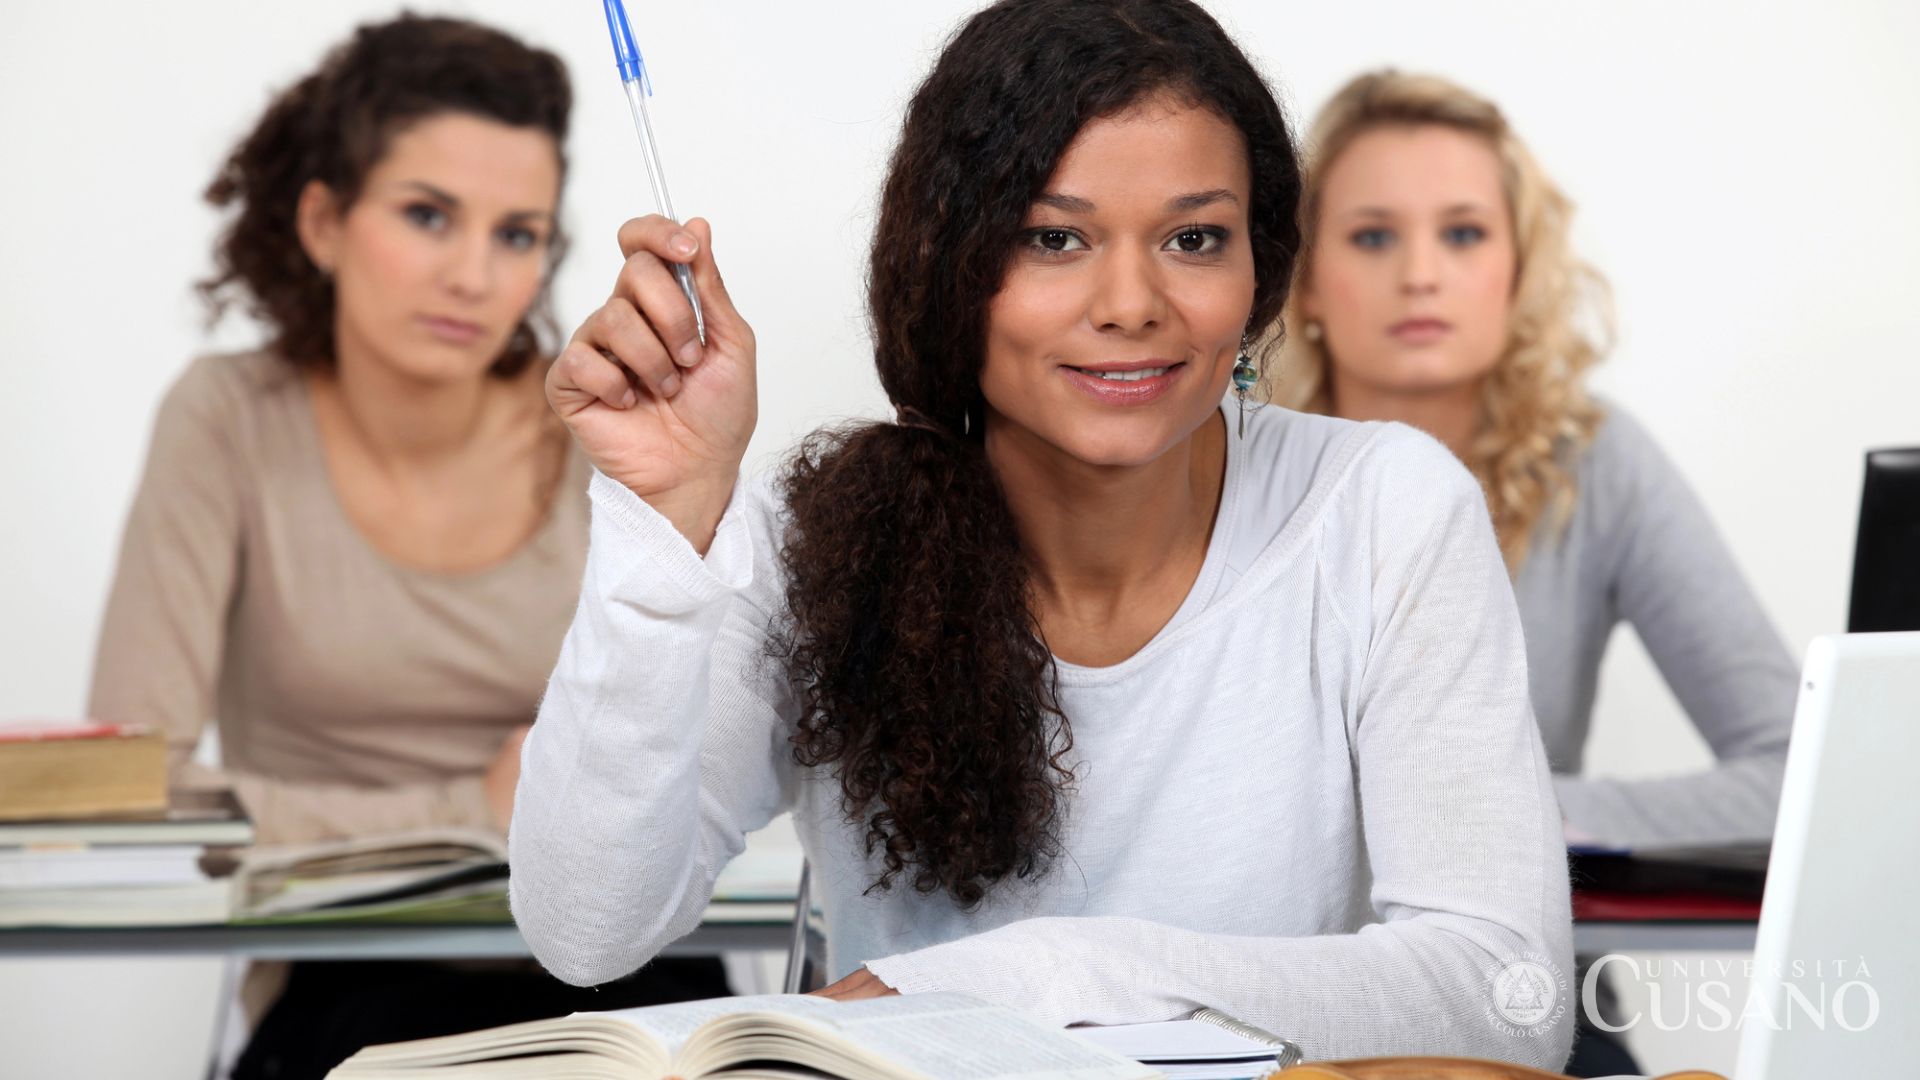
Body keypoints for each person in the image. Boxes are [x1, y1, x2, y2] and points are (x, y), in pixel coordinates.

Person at [512, 0, 1573, 1067]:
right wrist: (663, 524)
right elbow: (586, 932)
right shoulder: (813, 542)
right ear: (946, 265)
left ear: (1260, 271)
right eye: (1054, 238)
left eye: (1194, 238)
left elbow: (1511, 1000)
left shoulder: (1384, 510)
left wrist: (1020, 983)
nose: (1131, 304)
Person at [87, 16, 725, 1079]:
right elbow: (128, 792)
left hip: (620, 972)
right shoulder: (227, 420)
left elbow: (709, 752)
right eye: (429, 215)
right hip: (350, 972)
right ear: (323, 222)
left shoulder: (606, 424)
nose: (473, 275)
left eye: (516, 234)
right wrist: (470, 813)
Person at [1278, 69, 1798, 1074]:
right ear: (1302, 278)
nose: (1420, 274)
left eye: (1464, 233)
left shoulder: (1594, 465)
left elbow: (1796, 773)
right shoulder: (1221, 461)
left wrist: (1512, 817)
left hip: (1524, 997)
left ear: (1518, 268)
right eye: (1373, 236)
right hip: (1281, 997)